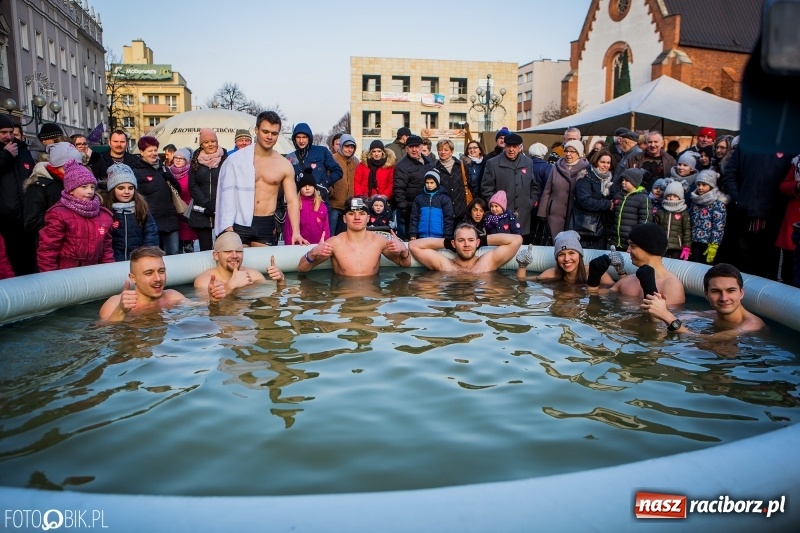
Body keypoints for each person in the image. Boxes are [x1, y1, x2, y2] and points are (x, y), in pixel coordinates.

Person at [216, 111, 307, 246]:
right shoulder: (236, 160)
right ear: (256, 130)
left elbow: (292, 201)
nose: (269, 137)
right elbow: (226, 193)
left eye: (274, 133)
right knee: (236, 265)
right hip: (239, 222)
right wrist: (226, 224)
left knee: (266, 266)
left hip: (266, 223)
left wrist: (296, 232)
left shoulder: (284, 165)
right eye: (265, 131)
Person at [99, 246, 225, 321]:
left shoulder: (172, 297)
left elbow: (203, 311)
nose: (158, 278)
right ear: (133, 278)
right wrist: (121, 311)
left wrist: (213, 302)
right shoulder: (115, 303)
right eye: (149, 273)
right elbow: (105, 335)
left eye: (161, 271)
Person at [298, 196, 411, 276]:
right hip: (345, 296)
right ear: (344, 219)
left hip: (372, 299)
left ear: (367, 218)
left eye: (361, 214)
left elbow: (405, 264)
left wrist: (404, 250)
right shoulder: (335, 243)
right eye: (351, 214)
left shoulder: (379, 241)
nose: (357, 218)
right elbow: (301, 269)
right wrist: (312, 253)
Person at [642, 263, 765, 334]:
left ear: (741, 293)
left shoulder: (751, 325)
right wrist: (658, 308)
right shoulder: (710, 314)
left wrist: (666, 316)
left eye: (730, 290)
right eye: (716, 291)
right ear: (706, 294)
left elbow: (703, 341)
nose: (724, 298)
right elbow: (661, 324)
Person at [37, 160, 114, 272]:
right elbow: (48, 249)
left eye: (92, 187)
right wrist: (50, 277)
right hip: (66, 273)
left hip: (94, 271)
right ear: (71, 189)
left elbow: (106, 248)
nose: (90, 191)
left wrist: (109, 272)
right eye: (84, 187)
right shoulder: (59, 214)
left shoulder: (103, 215)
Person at [588, 223, 685, 304]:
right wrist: (594, 278)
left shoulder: (672, 286)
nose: (628, 250)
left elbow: (666, 323)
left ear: (649, 248)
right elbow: (593, 299)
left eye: (633, 246)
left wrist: (650, 292)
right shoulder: (627, 281)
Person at [481, 133, 539, 243]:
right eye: (508, 146)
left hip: (523, 216)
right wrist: (496, 207)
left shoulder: (528, 162)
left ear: (520, 147)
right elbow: (486, 188)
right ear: (504, 146)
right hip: (501, 219)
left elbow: (534, 186)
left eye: (515, 146)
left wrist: (530, 202)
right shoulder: (492, 163)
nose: (511, 149)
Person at [193, 232, 285, 298]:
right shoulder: (205, 281)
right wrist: (230, 286)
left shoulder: (253, 275)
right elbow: (205, 309)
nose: (234, 255)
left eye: (239, 251)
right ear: (216, 255)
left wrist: (281, 281)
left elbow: (273, 300)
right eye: (228, 251)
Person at [130, 136, 182, 255]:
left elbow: (177, 191)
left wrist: (171, 178)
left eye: (155, 150)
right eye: (150, 151)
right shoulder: (136, 171)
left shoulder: (163, 168)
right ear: (142, 152)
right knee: (155, 255)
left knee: (173, 253)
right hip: (152, 221)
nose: (154, 153)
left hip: (170, 219)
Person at [0, 113, 37, 275]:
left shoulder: (23, 151)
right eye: (3, 133)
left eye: (10, 132)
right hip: (4, 222)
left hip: (26, 221)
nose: (8, 136)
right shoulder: (6, 153)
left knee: (28, 265)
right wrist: (5, 156)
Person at [408, 223, 522, 274]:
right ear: (453, 244)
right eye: (461, 240)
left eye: (471, 240)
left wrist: (481, 240)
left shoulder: (486, 263)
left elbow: (516, 240)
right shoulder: (446, 265)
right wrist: (447, 242)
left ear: (478, 242)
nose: (466, 244)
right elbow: (414, 245)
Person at [102, 162, 159, 261]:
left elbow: (151, 234)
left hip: (138, 261)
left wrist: (147, 256)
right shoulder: (105, 210)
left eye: (131, 188)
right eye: (121, 188)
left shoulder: (141, 208)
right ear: (112, 189)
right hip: (113, 261)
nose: (127, 192)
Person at [23, 141, 83, 233]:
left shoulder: (77, 183)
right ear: (58, 164)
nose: (75, 169)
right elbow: (31, 222)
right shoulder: (39, 186)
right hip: (50, 242)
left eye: (78, 165)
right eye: (70, 165)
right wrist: (64, 220)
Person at [516, 230, 613, 285]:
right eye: (561, 254)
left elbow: (616, 291)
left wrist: (621, 271)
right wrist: (522, 266)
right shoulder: (552, 274)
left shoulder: (594, 272)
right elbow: (522, 281)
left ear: (580, 255)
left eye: (571, 253)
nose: (566, 259)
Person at [538, 139, 589, 242]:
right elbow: (547, 190)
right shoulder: (556, 167)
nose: (568, 154)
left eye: (572, 151)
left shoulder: (586, 168)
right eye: (566, 151)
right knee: (555, 243)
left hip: (575, 215)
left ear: (579, 153)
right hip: (555, 214)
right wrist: (542, 212)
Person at [188, 129, 227, 251]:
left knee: (223, 248)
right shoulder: (195, 160)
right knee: (205, 249)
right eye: (206, 142)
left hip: (221, 210)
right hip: (202, 211)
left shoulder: (225, 159)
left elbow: (229, 183)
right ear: (201, 145)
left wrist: (218, 204)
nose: (210, 144)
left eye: (213, 141)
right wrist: (206, 203)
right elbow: (192, 185)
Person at [286, 123, 342, 203]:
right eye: (298, 137)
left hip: (320, 201)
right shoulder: (290, 157)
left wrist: (324, 184)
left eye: (304, 137)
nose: (301, 141)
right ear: (294, 139)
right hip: (299, 203)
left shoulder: (322, 152)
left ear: (309, 138)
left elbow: (338, 171)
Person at [393, 135, 434, 239]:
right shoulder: (402, 166)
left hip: (429, 208)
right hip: (411, 211)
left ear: (421, 147)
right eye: (411, 147)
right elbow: (399, 189)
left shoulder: (429, 162)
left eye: (417, 146)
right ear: (407, 149)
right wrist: (405, 209)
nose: (414, 150)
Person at [573, 149, 614, 250]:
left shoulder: (609, 178)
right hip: (586, 226)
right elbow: (584, 201)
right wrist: (608, 204)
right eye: (602, 162)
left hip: (602, 226)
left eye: (608, 163)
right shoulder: (585, 176)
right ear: (596, 162)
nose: (606, 165)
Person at [690, 169, 728, 265]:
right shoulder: (695, 202)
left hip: (708, 243)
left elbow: (718, 225)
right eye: (698, 184)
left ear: (711, 186)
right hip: (694, 241)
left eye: (704, 185)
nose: (700, 187)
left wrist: (714, 244)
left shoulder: (717, 204)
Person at [284, 169, 329, 245]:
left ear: (314, 187)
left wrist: (326, 243)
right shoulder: (295, 206)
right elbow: (288, 229)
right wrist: (289, 246)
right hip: (299, 246)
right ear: (299, 188)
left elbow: (326, 228)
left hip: (317, 246)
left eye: (310, 185)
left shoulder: (321, 206)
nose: (307, 188)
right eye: (304, 186)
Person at [611, 168, 651, 251]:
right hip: (615, 241)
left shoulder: (643, 199)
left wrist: (635, 238)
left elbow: (645, 221)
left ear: (635, 182)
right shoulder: (618, 196)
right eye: (622, 180)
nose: (623, 182)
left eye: (627, 180)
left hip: (630, 243)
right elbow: (611, 217)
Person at [409, 169, 454, 240]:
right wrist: (413, 233)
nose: (429, 185)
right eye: (427, 182)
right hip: (422, 235)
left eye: (432, 182)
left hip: (439, 236)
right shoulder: (419, 198)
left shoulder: (444, 199)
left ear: (437, 183)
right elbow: (414, 217)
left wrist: (447, 235)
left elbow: (448, 218)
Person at [654, 180, 692, 260]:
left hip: (677, 246)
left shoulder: (683, 212)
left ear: (679, 197)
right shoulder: (661, 211)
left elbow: (687, 230)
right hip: (662, 245)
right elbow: (655, 228)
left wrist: (686, 246)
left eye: (674, 196)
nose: (671, 198)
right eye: (669, 195)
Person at [330, 134, 360, 235]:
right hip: (334, 204)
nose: (349, 150)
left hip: (349, 205)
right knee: (331, 234)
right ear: (341, 146)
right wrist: (331, 192)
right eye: (346, 146)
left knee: (344, 235)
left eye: (352, 147)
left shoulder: (355, 161)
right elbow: (327, 176)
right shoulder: (332, 158)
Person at [433, 139, 469, 222]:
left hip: (461, 211)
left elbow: (470, 184)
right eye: (440, 149)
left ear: (452, 151)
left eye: (446, 150)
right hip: (443, 212)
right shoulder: (435, 168)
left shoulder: (461, 165)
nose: (443, 152)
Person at [169, 148, 197, 253]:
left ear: (187, 160)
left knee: (188, 248)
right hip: (173, 214)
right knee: (176, 249)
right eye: (176, 157)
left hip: (187, 213)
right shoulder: (168, 172)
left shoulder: (191, 173)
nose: (178, 160)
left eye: (181, 158)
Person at [354, 139, 395, 203]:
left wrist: (384, 196)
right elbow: (357, 181)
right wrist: (359, 196)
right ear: (370, 153)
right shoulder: (362, 165)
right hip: (364, 199)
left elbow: (391, 184)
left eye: (379, 151)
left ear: (382, 152)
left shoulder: (389, 166)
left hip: (382, 201)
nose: (376, 154)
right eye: (374, 151)